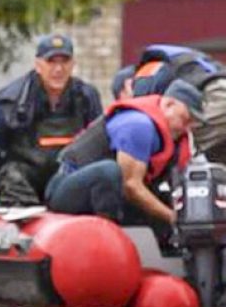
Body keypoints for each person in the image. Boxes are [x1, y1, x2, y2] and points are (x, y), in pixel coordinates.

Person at [45, 79, 205, 236]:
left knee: (159, 203)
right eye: (185, 119)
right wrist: (172, 217)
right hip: (66, 188)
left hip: (113, 197)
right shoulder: (138, 125)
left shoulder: (178, 138)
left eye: (192, 124)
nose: (187, 128)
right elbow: (131, 186)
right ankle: (108, 239)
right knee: (109, 171)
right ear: (169, 105)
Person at [0, 34, 103, 207]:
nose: (58, 69)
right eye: (51, 62)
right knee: (12, 173)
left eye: (64, 62)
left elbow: (99, 142)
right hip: (25, 175)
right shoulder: (10, 100)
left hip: (65, 175)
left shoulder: (87, 97)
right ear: (38, 65)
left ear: (72, 65)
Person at [114, 44, 225, 163]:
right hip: (216, 94)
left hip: (218, 98)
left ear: (127, 85)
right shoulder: (170, 61)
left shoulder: (146, 72)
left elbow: (143, 110)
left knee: (182, 141)